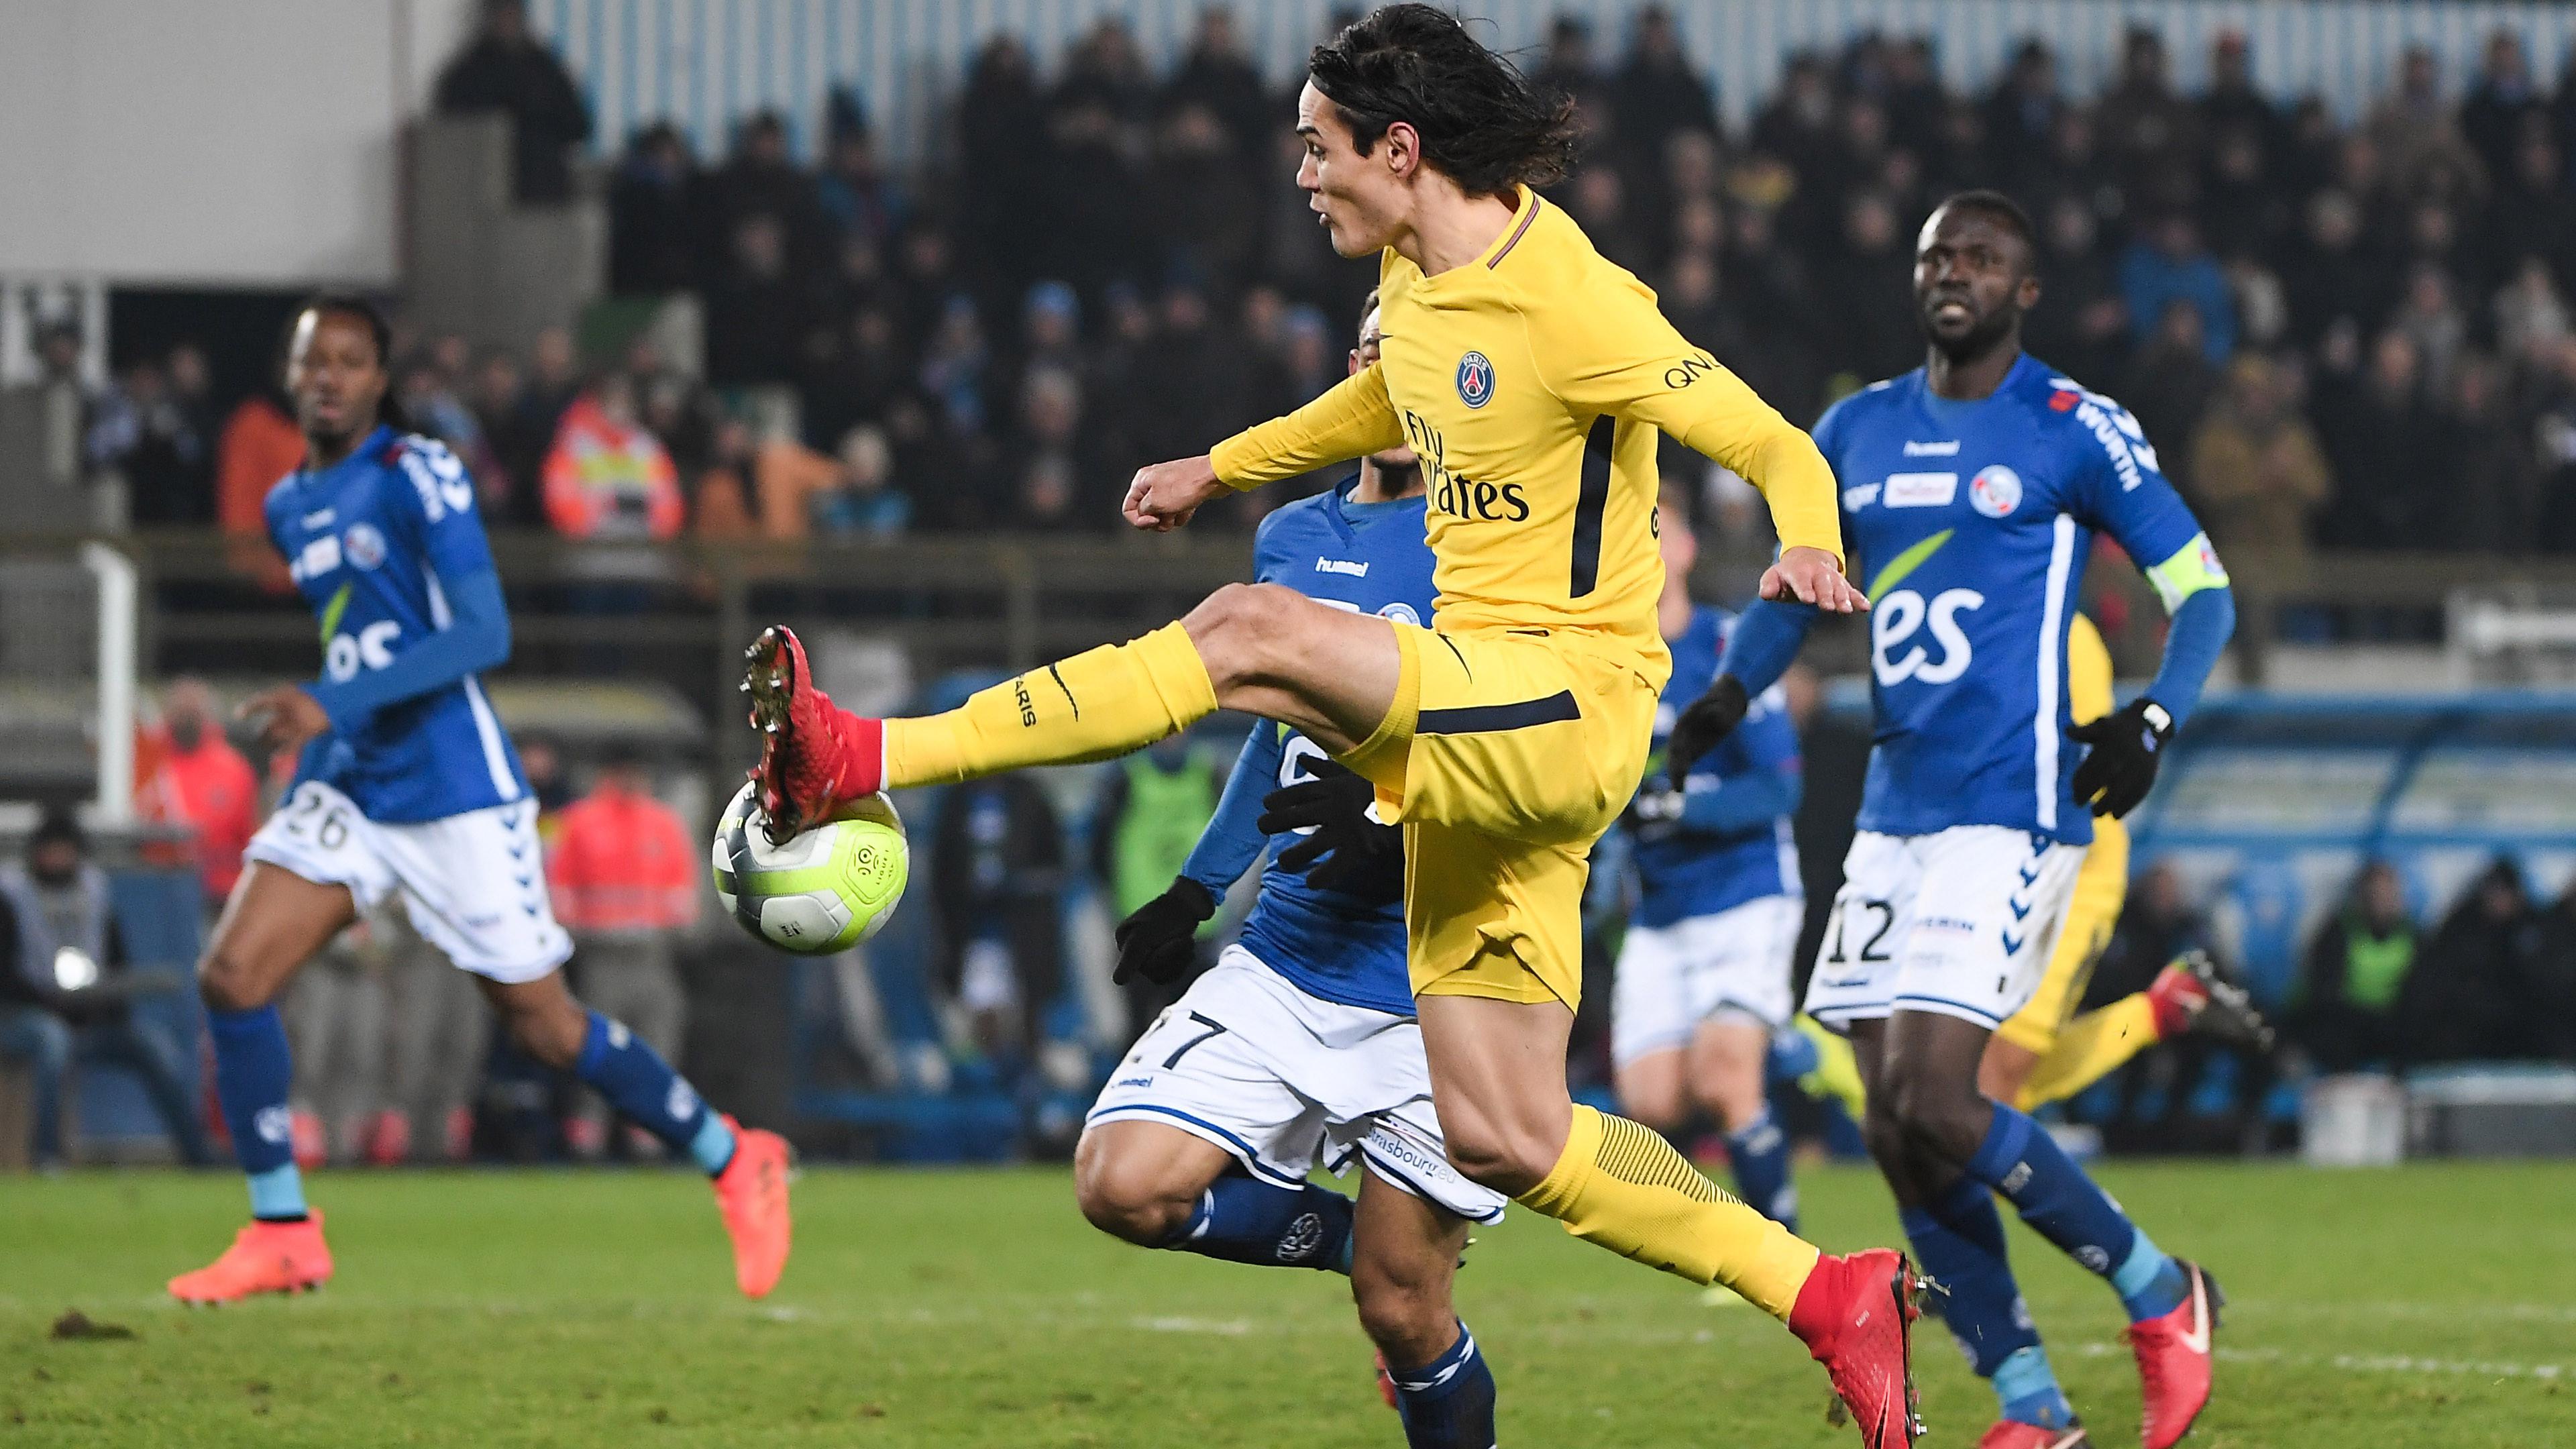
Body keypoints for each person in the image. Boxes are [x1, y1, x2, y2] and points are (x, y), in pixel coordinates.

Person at [742, 11, 1919, 1443]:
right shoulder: (1423, 285)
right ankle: (1823, 1291)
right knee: (1507, 1132)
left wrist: (1801, 540)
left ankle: (863, 755)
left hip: (1565, 703)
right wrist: (1219, 465)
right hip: (1471, 742)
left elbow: (1773, 439)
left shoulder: (1578, 302)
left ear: (1398, 147)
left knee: (1244, 635)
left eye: (1317, 147)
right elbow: (1385, 394)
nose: (1302, 176)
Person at [1671, 193, 2237, 1449]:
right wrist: (1723, 695)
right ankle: (2032, 1403)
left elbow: (2202, 592)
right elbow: (1794, 595)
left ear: (2024, 290)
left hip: (2012, 807)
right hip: (1892, 810)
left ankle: (2159, 1288)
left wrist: (2153, 720)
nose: (1955, 274)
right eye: (1937, 256)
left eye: (1981, 259)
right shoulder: (1854, 430)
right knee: (1885, 1118)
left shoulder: (2071, 426)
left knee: (1938, 1097)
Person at [166, 297, 788, 1303]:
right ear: (291, 376)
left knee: (545, 1026)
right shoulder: (288, 503)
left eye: (350, 360)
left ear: (378, 380)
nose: (328, 376)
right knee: (232, 975)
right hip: (357, 786)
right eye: (311, 360)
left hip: (454, 789)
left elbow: (480, 634)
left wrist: (334, 700)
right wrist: (328, 735)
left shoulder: (418, 472)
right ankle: (283, 1228)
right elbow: (358, 636)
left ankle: (733, 1155)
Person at [1079, 292, 1513, 1448]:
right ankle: (1336, 1237)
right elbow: (1274, 737)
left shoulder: (1494, 553)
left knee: (1406, 1311)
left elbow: (1524, 753)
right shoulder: (1291, 539)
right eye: (1375, 352)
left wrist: (1399, 815)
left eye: (1415, 355)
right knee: (1121, 1184)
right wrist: (1198, 886)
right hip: (1290, 951)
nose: (1390, 373)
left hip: (1438, 977)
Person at [1609, 485, 1805, 1234]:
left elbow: (1782, 786)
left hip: (1745, 894)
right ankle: (1787, 1049)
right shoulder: (1605, 667)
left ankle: (1783, 1252)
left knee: (1725, 1079)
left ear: (1685, 549)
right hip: (1661, 910)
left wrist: (1684, 807)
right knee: (1652, 1101)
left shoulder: (1730, 650)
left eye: (1658, 533)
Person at [0, 807, 213, 1169]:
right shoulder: (13, 897)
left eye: (65, 850)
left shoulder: (95, 892)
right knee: (51, 1041)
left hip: (89, 1019)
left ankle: (198, 1155)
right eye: (51, 850)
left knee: (153, 1047)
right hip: (24, 1018)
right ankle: (48, 1157)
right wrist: (46, 1001)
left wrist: (102, 1004)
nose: (58, 859)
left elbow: (117, 966)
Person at [547, 745, 702, 1159]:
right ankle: (587, 1134)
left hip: (653, 955)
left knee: (658, 1043)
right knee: (599, 1047)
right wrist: (579, 931)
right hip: (602, 955)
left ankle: (648, 1131)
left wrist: (673, 924)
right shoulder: (581, 821)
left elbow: (684, 894)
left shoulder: (664, 824)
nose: (633, 779)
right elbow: (560, 889)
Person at [433, 0, 592, 204]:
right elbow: (457, 124)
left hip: (548, 182)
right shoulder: (472, 71)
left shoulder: (543, 66)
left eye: (512, 13)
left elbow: (579, 124)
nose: (508, 21)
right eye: (503, 14)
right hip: (502, 184)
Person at [141, 678, 261, 908]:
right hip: (157, 885)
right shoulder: (151, 763)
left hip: (218, 892)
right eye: (180, 713)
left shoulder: (233, 769)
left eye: (193, 714)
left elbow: (248, 836)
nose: (185, 721)